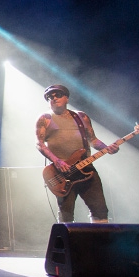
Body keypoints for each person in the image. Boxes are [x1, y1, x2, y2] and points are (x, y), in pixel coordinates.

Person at [35, 84, 118, 223]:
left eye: (58, 95)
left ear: (66, 98)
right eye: (50, 97)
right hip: (62, 173)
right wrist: (57, 161)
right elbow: (39, 143)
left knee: (100, 209)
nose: (54, 98)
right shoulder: (45, 118)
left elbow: (93, 140)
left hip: (86, 168)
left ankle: (99, 241)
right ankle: (66, 242)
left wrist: (107, 147)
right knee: (66, 214)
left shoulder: (81, 117)